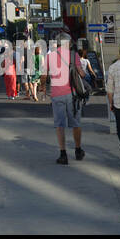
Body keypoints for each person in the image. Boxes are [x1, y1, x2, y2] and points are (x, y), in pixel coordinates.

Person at [46, 35, 84, 164]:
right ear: (67, 43)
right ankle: (78, 150)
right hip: (72, 94)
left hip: (56, 94)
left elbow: (43, 75)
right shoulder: (74, 55)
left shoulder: (50, 56)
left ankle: (63, 154)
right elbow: (82, 73)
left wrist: (42, 87)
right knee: (76, 123)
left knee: (60, 125)